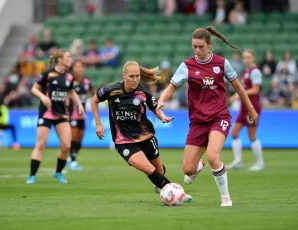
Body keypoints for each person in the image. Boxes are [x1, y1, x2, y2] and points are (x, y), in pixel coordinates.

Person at [157, 26, 259, 207]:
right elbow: (172, 86)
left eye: (201, 47)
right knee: (188, 170)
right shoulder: (187, 65)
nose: (197, 50)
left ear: (209, 45)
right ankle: (198, 165)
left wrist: (250, 108)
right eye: (194, 46)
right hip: (197, 121)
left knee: (214, 156)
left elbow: (238, 87)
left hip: (219, 117)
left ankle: (225, 197)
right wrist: (162, 100)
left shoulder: (221, 63)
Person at [90, 60, 193, 202]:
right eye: (131, 76)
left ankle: (160, 184)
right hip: (123, 141)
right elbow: (93, 101)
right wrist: (98, 124)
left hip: (146, 136)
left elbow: (154, 107)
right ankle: (176, 194)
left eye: (137, 76)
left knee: (159, 171)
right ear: (124, 76)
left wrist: (162, 117)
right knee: (148, 168)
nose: (135, 79)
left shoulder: (143, 91)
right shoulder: (111, 90)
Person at [26, 49, 85, 184]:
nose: (70, 59)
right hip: (46, 112)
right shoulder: (48, 73)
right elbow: (34, 88)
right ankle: (32, 176)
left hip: (61, 114)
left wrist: (79, 104)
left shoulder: (69, 76)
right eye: (68, 57)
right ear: (60, 60)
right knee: (41, 144)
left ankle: (58, 173)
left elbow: (71, 91)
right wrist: (42, 97)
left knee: (66, 146)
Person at [227, 49, 264, 171]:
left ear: (253, 58)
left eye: (248, 57)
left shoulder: (255, 72)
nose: (245, 60)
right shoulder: (246, 72)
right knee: (234, 133)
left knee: (252, 135)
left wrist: (239, 94)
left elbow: (256, 89)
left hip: (252, 107)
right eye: (244, 57)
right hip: (244, 108)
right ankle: (238, 161)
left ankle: (260, 163)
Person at [67, 60, 95, 171]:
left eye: (81, 66)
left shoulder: (87, 81)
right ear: (73, 69)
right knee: (73, 139)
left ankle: (71, 157)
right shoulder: (70, 81)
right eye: (76, 66)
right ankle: (73, 161)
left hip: (82, 115)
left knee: (80, 140)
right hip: (72, 114)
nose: (79, 69)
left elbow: (95, 93)